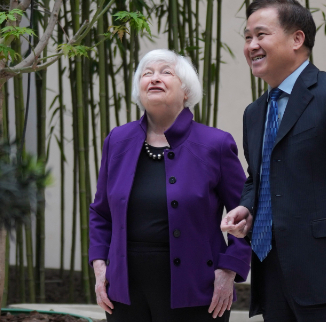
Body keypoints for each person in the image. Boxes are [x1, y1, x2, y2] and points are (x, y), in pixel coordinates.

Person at [221, 0, 326, 322]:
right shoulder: (254, 112)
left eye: (261, 34)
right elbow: (259, 177)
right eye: (247, 37)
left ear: (297, 39)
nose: (251, 45)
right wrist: (247, 207)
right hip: (273, 275)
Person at [89, 49, 251, 322]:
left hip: (198, 288)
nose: (154, 78)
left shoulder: (215, 144)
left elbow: (245, 213)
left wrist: (228, 270)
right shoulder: (117, 140)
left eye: (166, 72)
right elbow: (101, 212)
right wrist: (99, 266)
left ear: (186, 91)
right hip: (124, 289)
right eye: (147, 73)